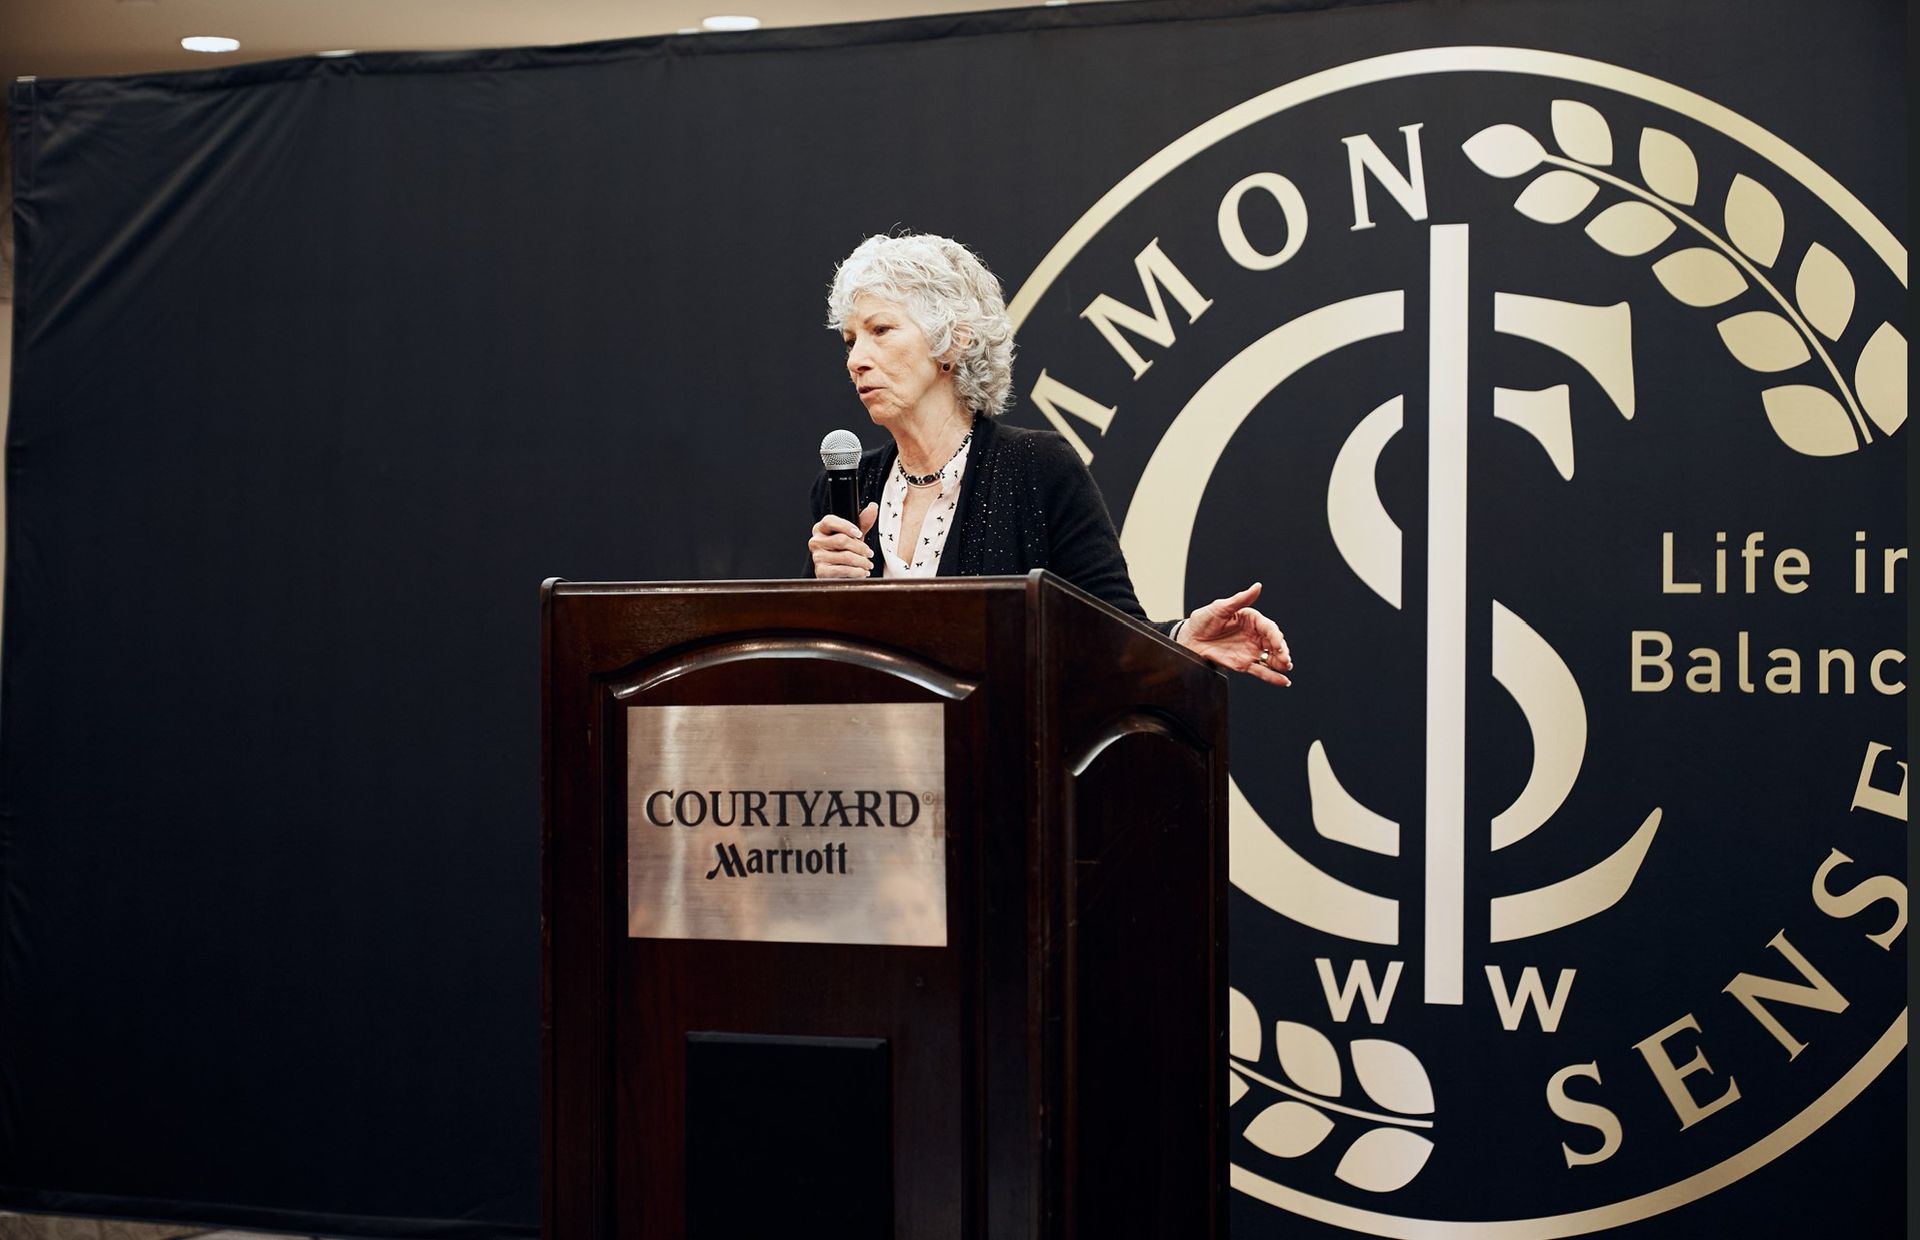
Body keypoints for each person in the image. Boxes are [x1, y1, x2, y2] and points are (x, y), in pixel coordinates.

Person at [807, 233, 1291, 686]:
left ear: (952, 342)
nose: (856, 359)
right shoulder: (850, 483)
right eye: (850, 340)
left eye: (881, 330)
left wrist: (1180, 635)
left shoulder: (1036, 468)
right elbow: (817, 660)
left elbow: (1108, 627)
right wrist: (820, 592)